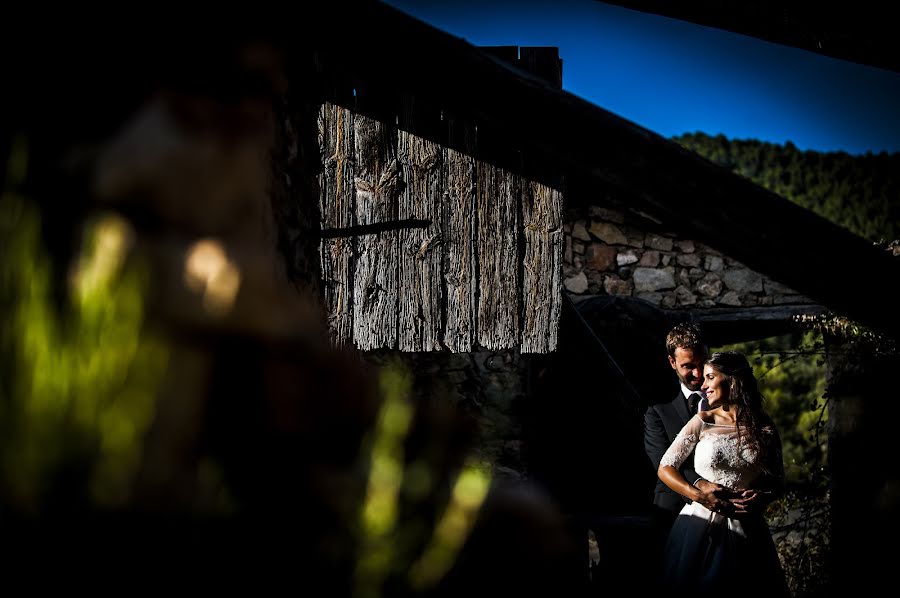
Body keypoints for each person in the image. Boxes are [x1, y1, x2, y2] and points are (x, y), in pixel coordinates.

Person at [657, 351, 788, 596]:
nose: (703, 385)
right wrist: (699, 495)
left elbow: (778, 481)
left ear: (731, 380)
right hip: (699, 526)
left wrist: (763, 497)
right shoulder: (702, 420)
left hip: (747, 526)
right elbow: (666, 468)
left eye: (710, 377)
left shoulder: (763, 424)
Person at [644, 324, 727, 551]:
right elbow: (662, 461)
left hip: (727, 509)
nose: (698, 374)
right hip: (674, 508)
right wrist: (701, 486)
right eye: (688, 366)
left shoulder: (728, 398)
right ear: (672, 362)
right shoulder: (657, 407)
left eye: (702, 364)